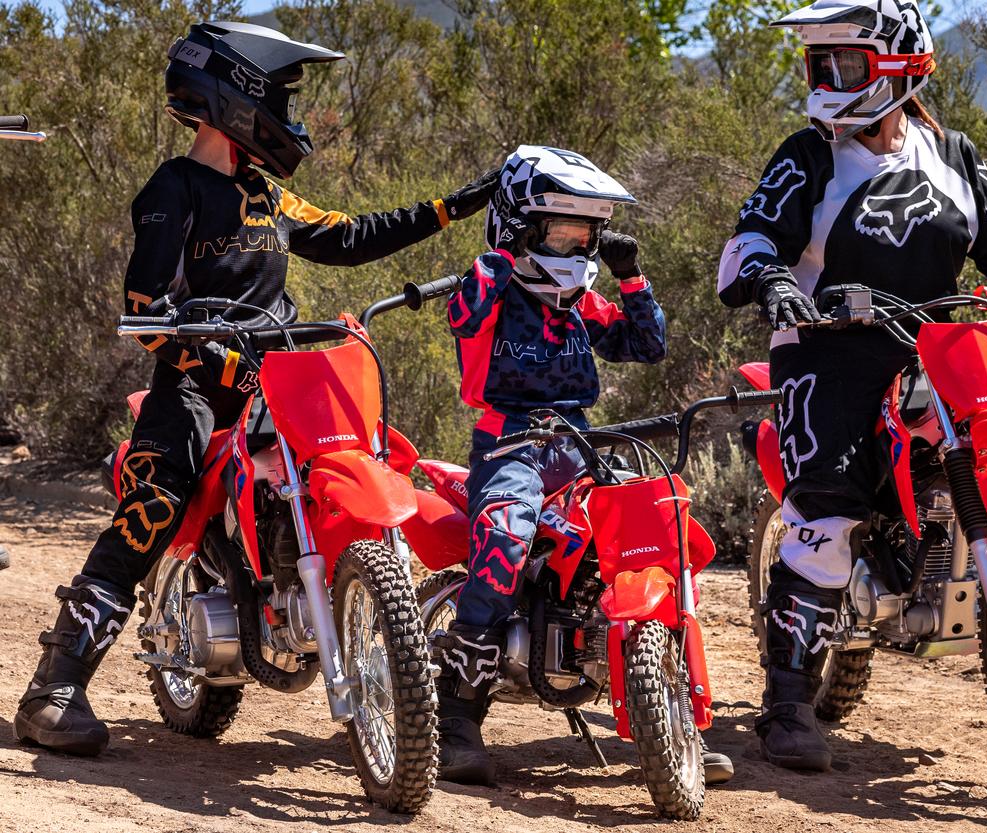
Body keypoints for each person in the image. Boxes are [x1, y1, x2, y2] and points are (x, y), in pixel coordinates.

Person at [13, 21, 500, 757]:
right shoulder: (173, 189)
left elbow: (346, 236)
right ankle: (54, 687)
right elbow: (144, 307)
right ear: (234, 97)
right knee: (154, 502)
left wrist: (453, 207)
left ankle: (378, 650)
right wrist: (182, 336)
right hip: (195, 386)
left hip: (274, 379)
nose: (290, 114)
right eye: (280, 97)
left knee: (354, 463)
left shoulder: (267, 195)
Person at [716, 0, 987, 772]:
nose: (827, 79)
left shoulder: (950, 151)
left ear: (899, 67)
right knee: (828, 504)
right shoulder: (808, 154)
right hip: (829, 346)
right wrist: (771, 280)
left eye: (844, 64)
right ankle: (786, 706)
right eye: (820, 65)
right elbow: (750, 239)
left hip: (934, 342)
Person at [437, 145, 733, 787]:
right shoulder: (494, 289)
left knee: (660, 530)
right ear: (521, 225)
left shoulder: (579, 304)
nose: (574, 249)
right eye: (560, 232)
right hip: (508, 440)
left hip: (578, 442)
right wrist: (499, 254)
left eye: (586, 236)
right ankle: (457, 714)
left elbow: (646, 344)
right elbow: (462, 318)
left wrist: (632, 278)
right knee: (506, 540)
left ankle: (679, 719)